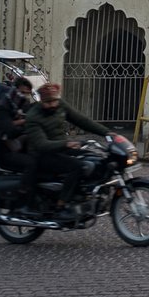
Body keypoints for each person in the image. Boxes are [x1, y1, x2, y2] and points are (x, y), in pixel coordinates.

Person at [22, 82, 110, 214]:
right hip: (42, 155)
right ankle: (62, 203)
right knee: (77, 166)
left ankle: (86, 195)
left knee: (95, 158)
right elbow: (41, 144)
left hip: (60, 148)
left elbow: (81, 120)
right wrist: (66, 144)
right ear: (41, 101)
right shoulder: (33, 117)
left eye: (55, 101)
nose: (53, 105)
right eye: (48, 102)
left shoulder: (60, 105)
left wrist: (107, 132)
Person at [0, 76, 36, 174]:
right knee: (33, 163)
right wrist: (25, 122)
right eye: (23, 93)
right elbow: (11, 130)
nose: (25, 96)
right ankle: (26, 188)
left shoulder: (23, 104)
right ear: (15, 90)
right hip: (4, 152)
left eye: (28, 93)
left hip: (21, 148)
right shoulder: (3, 107)